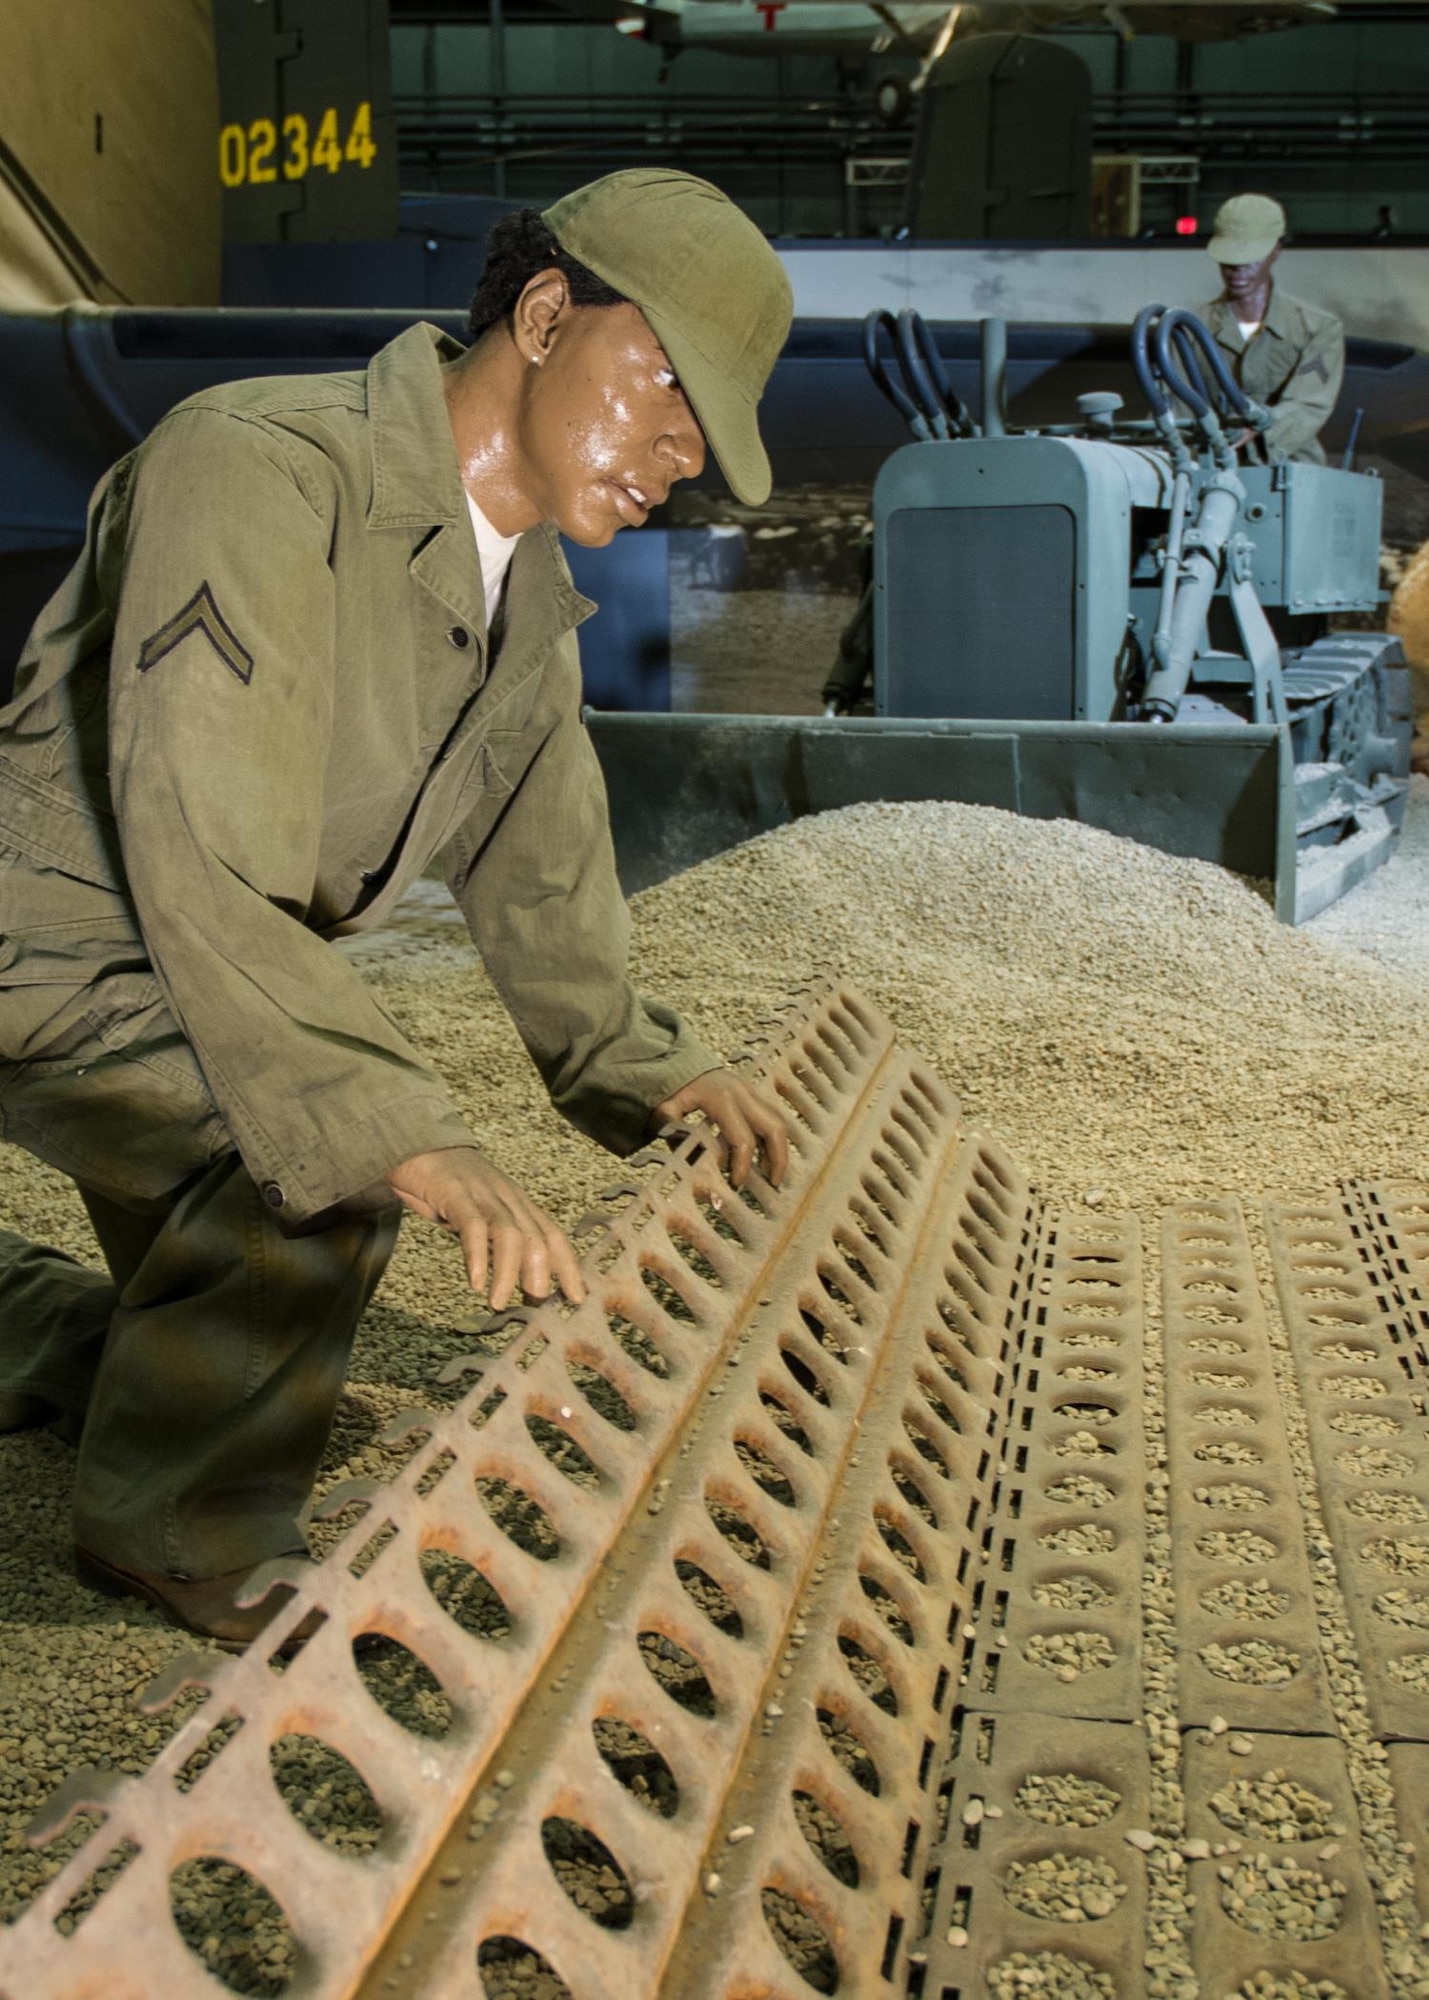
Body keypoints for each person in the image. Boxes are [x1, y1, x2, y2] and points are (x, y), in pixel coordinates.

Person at [0, 169, 792, 1648]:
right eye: (671, 391)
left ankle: (84, 1356)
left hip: (186, 960)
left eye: (710, 434)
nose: (684, 458)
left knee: (228, 1253)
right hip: (49, 942)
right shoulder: (258, 467)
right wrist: (403, 1136)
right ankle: (172, 1531)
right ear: (548, 316)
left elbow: (545, 877)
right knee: (317, 1174)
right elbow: (200, 853)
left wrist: (648, 1067)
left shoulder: (525, 601)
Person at [1198, 192, 1345, 464]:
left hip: (1290, 469)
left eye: (1250, 258)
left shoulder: (1316, 329)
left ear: (1276, 250)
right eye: (1229, 260)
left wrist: (1261, 426)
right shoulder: (1190, 331)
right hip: (1209, 469)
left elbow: (1309, 404)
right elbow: (1178, 409)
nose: (1238, 269)